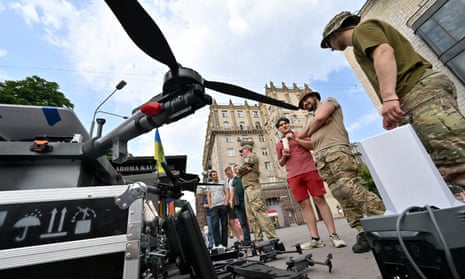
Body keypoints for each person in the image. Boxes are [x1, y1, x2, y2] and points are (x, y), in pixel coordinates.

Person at [320, 11, 465, 191]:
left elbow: (383, 51)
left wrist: (388, 98)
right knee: (447, 163)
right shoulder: (363, 40)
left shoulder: (362, 30)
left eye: (328, 44)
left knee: (456, 160)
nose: (332, 49)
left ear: (335, 32)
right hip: (416, 93)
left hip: (417, 90)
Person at [297, 91, 385, 253]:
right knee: (341, 195)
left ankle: (386, 221)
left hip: (337, 151)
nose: (304, 104)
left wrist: (315, 123)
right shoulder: (310, 118)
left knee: (350, 187)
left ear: (314, 96)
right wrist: (309, 129)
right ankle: (363, 232)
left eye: (305, 100)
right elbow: (306, 138)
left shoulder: (330, 100)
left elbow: (319, 118)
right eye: (301, 103)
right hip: (322, 158)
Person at [275, 116, 346, 249]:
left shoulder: (301, 134)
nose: (284, 126)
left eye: (286, 123)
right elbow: (280, 163)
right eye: (281, 125)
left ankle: (334, 235)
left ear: (289, 124)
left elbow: (312, 145)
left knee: (320, 200)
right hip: (293, 176)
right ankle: (315, 239)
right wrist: (284, 155)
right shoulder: (279, 144)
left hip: (310, 171)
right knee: (305, 205)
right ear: (278, 129)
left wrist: (295, 139)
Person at [238, 144, 278, 242]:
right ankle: (258, 239)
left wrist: (241, 170)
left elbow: (241, 169)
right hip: (247, 189)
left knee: (260, 212)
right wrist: (241, 170)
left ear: (247, 150)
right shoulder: (247, 159)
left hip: (253, 187)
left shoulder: (252, 156)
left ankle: (272, 237)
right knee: (251, 216)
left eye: (242, 151)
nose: (241, 154)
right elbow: (240, 172)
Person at [231, 163, 252, 246]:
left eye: (238, 168)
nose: (237, 169)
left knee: (251, 219)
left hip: (246, 201)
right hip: (237, 203)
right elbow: (232, 191)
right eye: (235, 168)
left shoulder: (244, 176)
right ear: (234, 171)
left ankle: (258, 238)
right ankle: (247, 241)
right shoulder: (234, 180)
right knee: (242, 222)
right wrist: (231, 201)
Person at [207, 170, 229, 248]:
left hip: (223, 205)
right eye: (213, 175)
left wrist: (226, 203)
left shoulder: (222, 182)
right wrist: (210, 206)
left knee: (224, 225)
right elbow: (208, 196)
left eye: (216, 174)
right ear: (211, 177)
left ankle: (224, 244)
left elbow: (227, 192)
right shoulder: (209, 185)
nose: (215, 176)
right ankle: (218, 244)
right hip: (214, 207)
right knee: (215, 225)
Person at [224, 166, 243, 243]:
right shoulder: (228, 180)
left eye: (228, 173)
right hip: (230, 202)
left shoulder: (237, 178)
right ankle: (239, 239)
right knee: (231, 222)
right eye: (226, 174)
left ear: (232, 171)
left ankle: (244, 238)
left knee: (242, 219)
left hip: (237, 201)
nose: (228, 175)